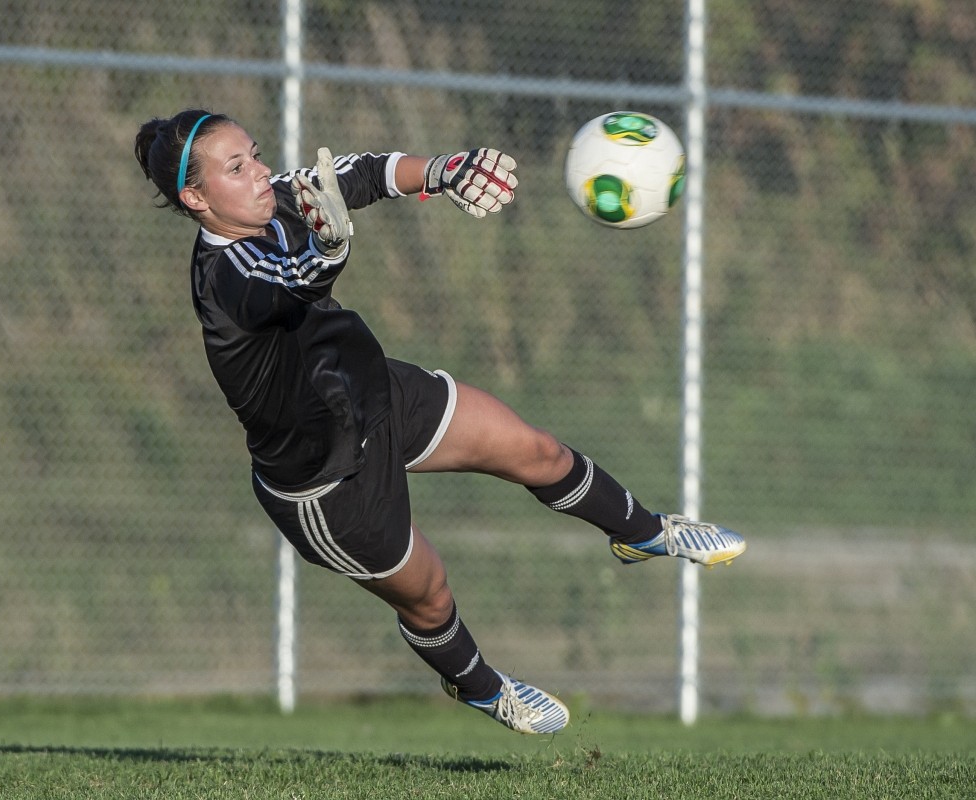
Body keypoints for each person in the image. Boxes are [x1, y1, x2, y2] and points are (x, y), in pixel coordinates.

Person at [133, 109, 746, 736]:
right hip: (326, 479)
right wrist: (330, 248)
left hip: (375, 392)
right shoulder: (224, 278)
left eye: (255, 155)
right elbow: (291, 285)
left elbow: (363, 173)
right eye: (237, 169)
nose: (261, 173)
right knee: (429, 594)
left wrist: (445, 171)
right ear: (196, 197)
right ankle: (480, 687)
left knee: (535, 451)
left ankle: (643, 533)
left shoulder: (279, 198)